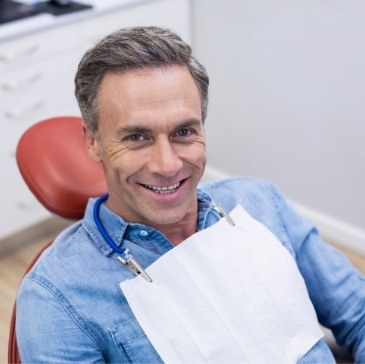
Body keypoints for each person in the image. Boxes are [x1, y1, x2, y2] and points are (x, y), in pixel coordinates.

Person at [16, 26, 364, 363]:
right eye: (137, 137)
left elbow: (359, 313)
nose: (167, 165)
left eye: (183, 131)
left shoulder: (259, 202)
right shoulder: (57, 296)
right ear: (93, 141)